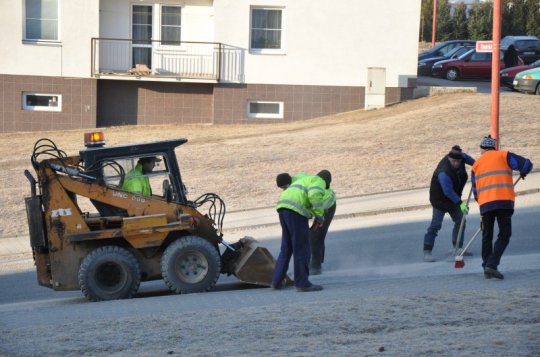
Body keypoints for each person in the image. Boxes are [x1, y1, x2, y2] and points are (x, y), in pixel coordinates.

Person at [471, 135, 533, 279]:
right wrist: (524, 172)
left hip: (485, 205)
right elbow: (526, 164)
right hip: (504, 201)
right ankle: (491, 265)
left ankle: (487, 265)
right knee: (504, 235)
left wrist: (482, 199)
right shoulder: (504, 155)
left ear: (482, 149)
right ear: (494, 147)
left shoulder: (476, 165)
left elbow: (475, 191)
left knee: (486, 236)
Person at [272, 172, 328, 292]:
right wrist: (319, 215)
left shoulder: (302, 178)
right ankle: (302, 283)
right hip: (296, 212)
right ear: (326, 181)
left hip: (282, 207)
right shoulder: (319, 181)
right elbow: (314, 195)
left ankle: (276, 281)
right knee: (302, 248)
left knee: (286, 248)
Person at [276, 170, 337, 275]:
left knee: (316, 235)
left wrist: (319, 217)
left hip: (326, 206)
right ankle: (311, 262)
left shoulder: (322, 193)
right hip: (313, 203)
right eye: (282, 188)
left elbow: (316, 202)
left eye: (285, 187)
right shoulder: (294, 182)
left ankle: (316, 266)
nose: (284, 189)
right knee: (310, 235)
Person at [423, 145, 475, 262]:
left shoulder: (461, 158)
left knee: (461, 220)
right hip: (440, 200)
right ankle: (427, 252)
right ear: (449, 158)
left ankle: (457, 247)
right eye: (453, 161)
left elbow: (472, 161)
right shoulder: (444, 172)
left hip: (453, 198)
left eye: (458, 161)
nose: (456, 163)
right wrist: (461, 204)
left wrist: (479, 167)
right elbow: (448, 191)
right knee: (436, 225)